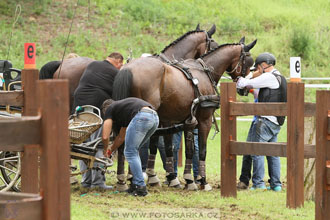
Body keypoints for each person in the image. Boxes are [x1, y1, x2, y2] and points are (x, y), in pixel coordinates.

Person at [236, 52, 287, 191]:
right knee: (272, 153)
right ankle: (276, 184)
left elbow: (243, 83)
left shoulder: (268, 76)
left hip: (265, 120)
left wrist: (251, 75)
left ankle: (258, 183)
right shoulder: (280, 77)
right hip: (276, 122)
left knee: (256, 151)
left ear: (263, 65)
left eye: (258, 67)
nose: (257, 70)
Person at [73, 52, 123, 190]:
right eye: (121, 65)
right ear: (118, 62)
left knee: (83, 145)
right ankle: (98, 182)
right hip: (96, 109)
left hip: (78, 107)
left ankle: (86, 180)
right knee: (98, 145)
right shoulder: (115, 72)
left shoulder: (92, 64)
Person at [102, 97, 159, 196]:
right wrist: (111, 150)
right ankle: (135, 185)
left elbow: (105, 136)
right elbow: (121, 137)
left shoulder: (109, 108)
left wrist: (104, 149)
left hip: (142, 116)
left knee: (130, 152)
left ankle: (140, 187)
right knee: (134, 151)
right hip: (154, 118)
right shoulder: (124, 111)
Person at [237, 88, 259, 190]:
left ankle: (252, 181)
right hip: (262, 120)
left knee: (250, 150)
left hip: (258, 121)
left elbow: (248, 87)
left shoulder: (260, 83)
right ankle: (275, 182)